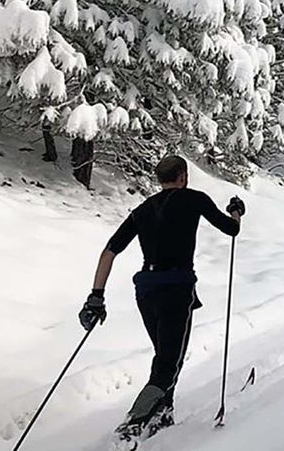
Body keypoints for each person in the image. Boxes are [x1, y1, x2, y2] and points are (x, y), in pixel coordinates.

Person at [78, 155, 245, 441]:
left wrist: (96, 297)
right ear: (182, 176)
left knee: (165, 356)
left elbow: (109, 251)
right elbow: (231, 229)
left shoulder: (143, 209)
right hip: (177, 288)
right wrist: (236, 211)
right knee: (169, 362)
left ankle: (163, 413)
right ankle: (132, 425)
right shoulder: (194, 198)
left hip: (145, 290)